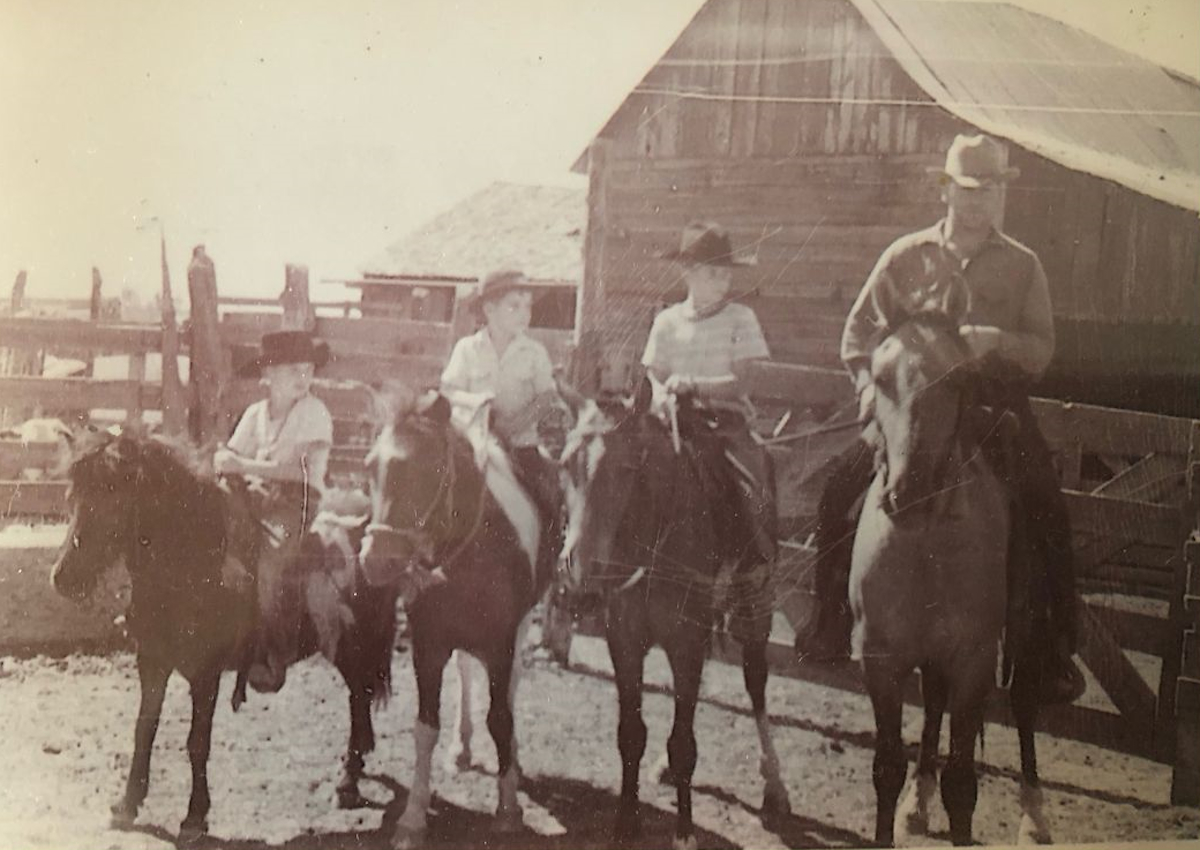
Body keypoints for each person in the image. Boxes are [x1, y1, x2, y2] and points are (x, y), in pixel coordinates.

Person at [796, 133, 1081, 703]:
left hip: (991, 412)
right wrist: (867, 393)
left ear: (1001, 193)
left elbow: (1042, 349)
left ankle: (1049, 652)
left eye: (989, 189)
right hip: (908, 413)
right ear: (945, 189)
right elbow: (857, 336)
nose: (977, 201)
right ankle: (830, 620)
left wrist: (998, 340)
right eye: (967, 189)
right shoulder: (906, 256)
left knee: (1046, 508)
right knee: (838, 494)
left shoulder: (1023, 266)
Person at [642, 221, 776, 643]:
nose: (721, 281)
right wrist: (662, 394)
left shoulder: (741, 318)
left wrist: (695, 385)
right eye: (711, 272)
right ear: (688, 273)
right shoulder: (666, 322)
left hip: (724, 425)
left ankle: (748, 574)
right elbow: (653, 374)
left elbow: (744, 380)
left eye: (725, 273)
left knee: (751, 484)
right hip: (673, 423)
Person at [215, 330, 334, 693]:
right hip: (257, 494)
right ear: (268, 376)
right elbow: (230, 455)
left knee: (272, 559)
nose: (302, 379)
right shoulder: (256, 414)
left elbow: (298, 471)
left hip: (296, 500)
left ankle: (275, 650)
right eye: (291, 371)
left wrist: (242, 465)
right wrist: (224, 461)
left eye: (307, 370)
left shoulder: (313, 412)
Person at [440, 268, 568, 570]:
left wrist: (514, 426)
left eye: (527, 306)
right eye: (514, 306)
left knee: (548, 500)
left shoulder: (534, 352)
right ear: (489, 310)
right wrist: (475, 403)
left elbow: (547, 398)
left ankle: (547, 568)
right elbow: (449, 390)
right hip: (475, 450)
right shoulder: (468, 349)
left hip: (520, 448)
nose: (524, 314)